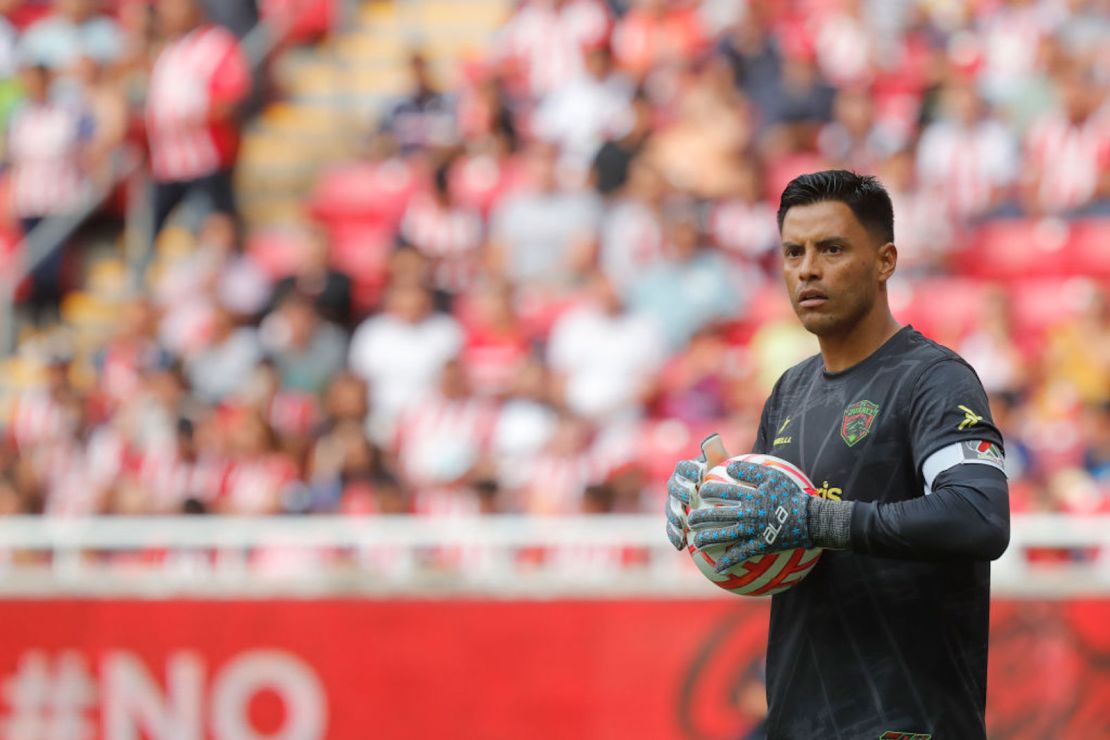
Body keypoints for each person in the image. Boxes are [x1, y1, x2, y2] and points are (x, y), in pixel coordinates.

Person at [664, 171, 1010, 737]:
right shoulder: (789, 392)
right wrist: (709, 510)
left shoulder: (934, 379)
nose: (808, 269)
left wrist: (817, 519)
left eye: (832, 248)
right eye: (793, 252)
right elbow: (768, 544)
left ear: (885, 261)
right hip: (799, 721)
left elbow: (979, 516)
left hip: (907, 723)